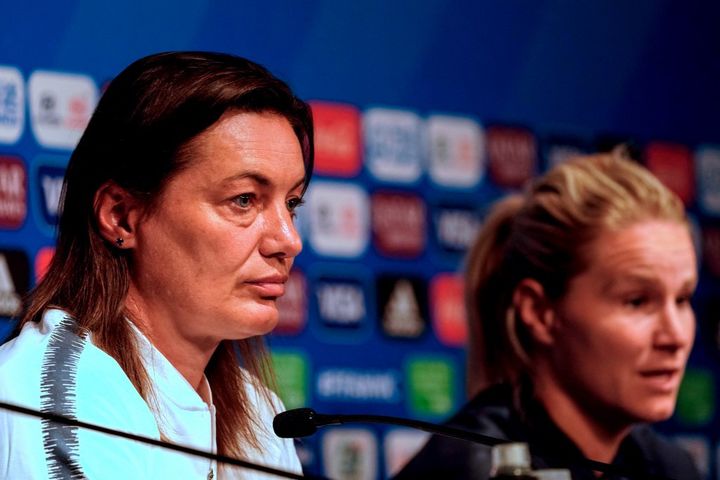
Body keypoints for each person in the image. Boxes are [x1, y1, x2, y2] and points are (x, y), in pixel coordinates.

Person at [0, 51, 313, 479]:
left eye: (292, 204)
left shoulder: (260, 413)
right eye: (244, 200)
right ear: (121, 217)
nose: (288, 240)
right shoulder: (51, 398)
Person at [395, 151, 701, 479]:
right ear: (539, 312)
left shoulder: (667, 468)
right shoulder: (469, 469)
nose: (676, 336)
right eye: (637, 302)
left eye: (682, 299)